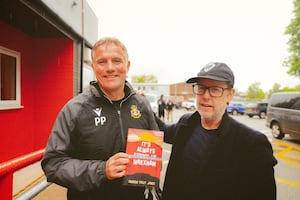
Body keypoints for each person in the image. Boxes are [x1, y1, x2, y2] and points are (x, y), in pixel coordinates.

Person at [41, 37, 160, 200]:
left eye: (117, 60)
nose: (110, 68)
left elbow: (153, 153)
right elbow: (52, 164)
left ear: (128, 66)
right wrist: (102, 170)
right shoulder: (75, 109)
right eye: (102, 62)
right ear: (94, 67)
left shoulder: (142, 105)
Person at [156, 62, 277, 200]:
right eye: (201, 88)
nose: (206, 96)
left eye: (215, 89)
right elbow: (161, 130)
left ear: (230, 95)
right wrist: (136, 101)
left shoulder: (252, 143)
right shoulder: (186, 123)